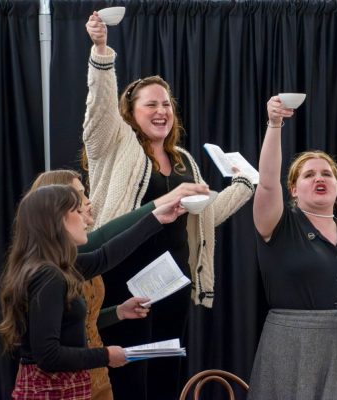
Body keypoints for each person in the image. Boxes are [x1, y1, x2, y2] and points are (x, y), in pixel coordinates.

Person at [83, 12, 255, 399]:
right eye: (151, 104)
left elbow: (205, 216)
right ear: (130, 111)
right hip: (121, 281)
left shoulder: (184, 160)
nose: (162, 111)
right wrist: (101, 53)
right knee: (126, 376)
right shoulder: (114, 144)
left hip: (171, 285)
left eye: (167, 104)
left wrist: (245, 185)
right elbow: (99, 111)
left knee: (165, 375)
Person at [0, 184, 186, 400]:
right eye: (77, 211)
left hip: (65, 388)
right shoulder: (48, 274)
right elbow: (47, 355)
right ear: (56, 221)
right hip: (51, 392)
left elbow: (103, 257)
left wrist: (156, 218)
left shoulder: (57, 266)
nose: (85, 219)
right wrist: (105, 355)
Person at [248, 96, 337, 399]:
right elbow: (268, 182)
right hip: (290, 344)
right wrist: (274, 124)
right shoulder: (279, 224)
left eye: (327, 174)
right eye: (308, 175)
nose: (319, 178)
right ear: (294, 190)